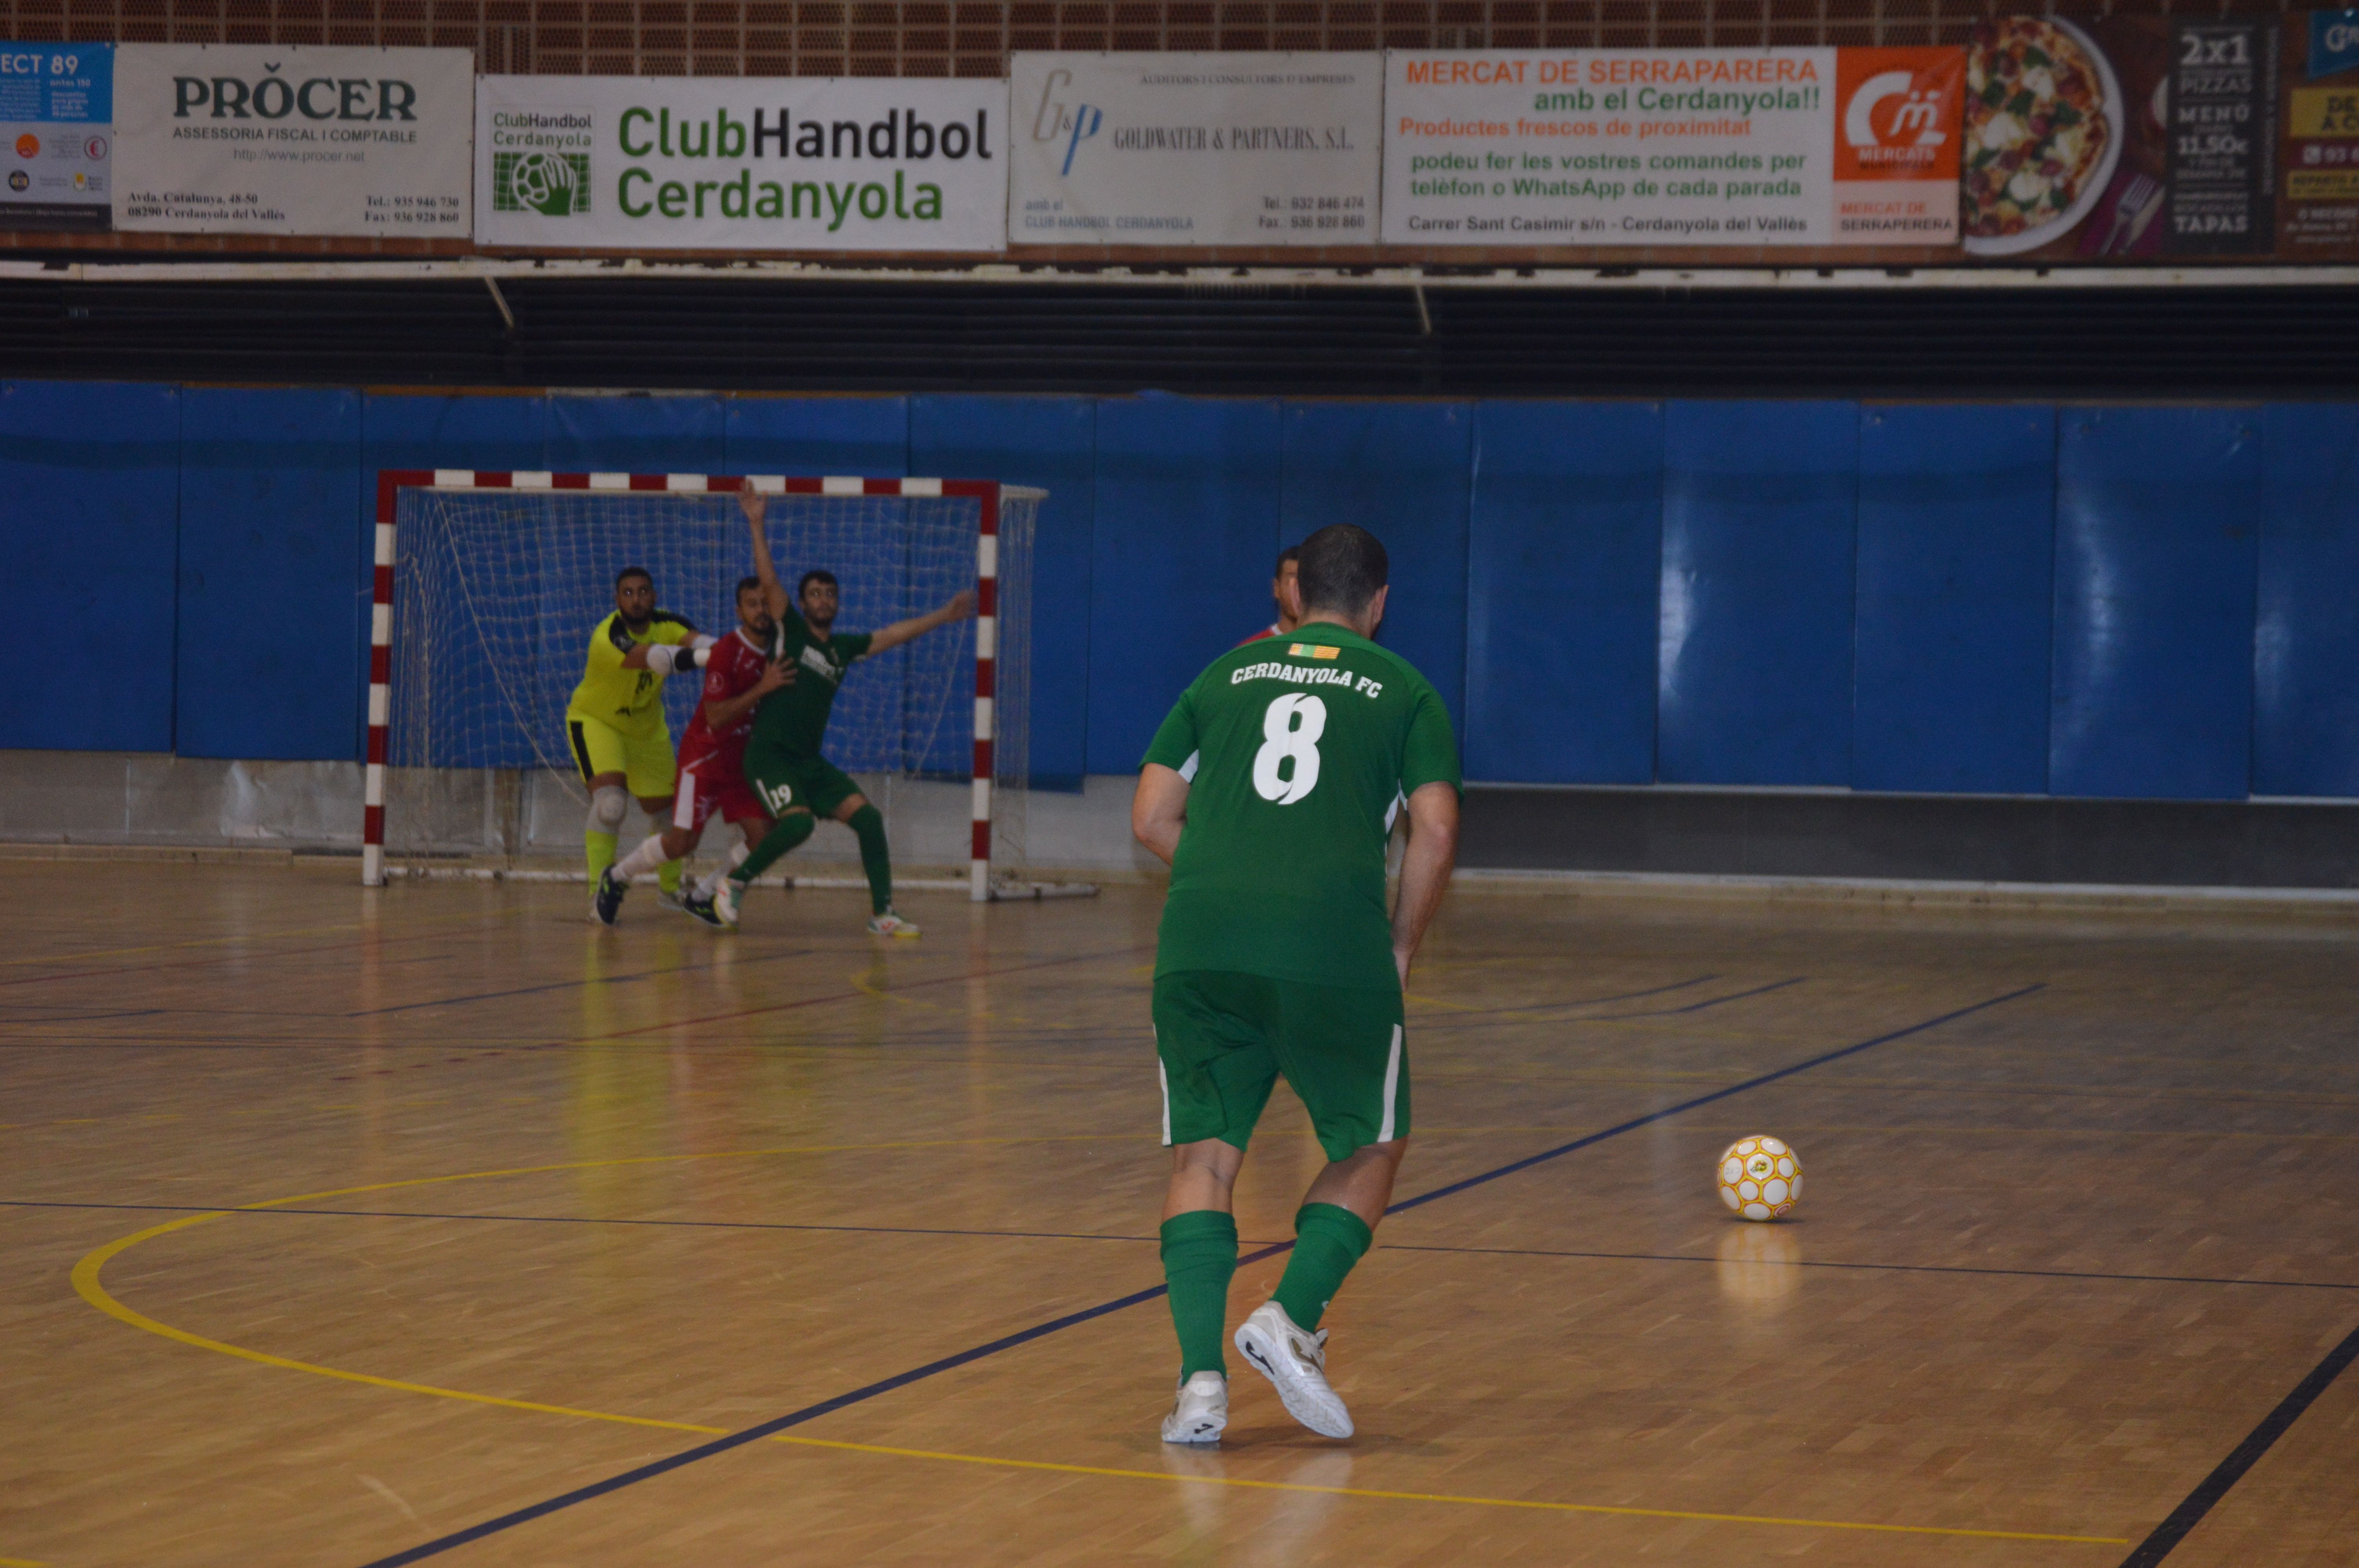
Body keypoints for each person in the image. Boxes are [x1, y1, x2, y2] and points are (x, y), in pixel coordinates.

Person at [1132, 522, 1460, 1446]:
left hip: (1201, 940)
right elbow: (1434, 827)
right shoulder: (1404, 689)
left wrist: (1230, 872)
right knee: (1375, 1139)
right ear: (1379, 602)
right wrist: (1399, 941)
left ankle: (1200, 1384)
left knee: (1203, 1156)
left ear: (1294, 590)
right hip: (1332, 945)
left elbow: (1151, 813)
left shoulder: (1223, 673)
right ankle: (1290, 1311)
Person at [690, 493, 976, 937]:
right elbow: (769, 581)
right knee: (799, 823)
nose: (824, 600)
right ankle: (733, 884)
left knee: (867, 818)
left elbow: (892, 634)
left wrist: (945, 615)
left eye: (831, 594)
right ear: (802, 604)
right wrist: (756, 523)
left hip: (807, 760)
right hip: (769, 755)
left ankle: (883, 913)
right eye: (815, 594)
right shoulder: (793, 631)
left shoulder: (842, 649)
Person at [594, 494, 791, 926]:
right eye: (751, 604)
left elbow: (772, 588)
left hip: (742, 763)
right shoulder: (725, 653)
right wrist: (763, 688)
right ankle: (617, 876)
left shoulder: (779, 645)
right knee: (681, 841)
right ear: (738, 612)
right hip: (704, 758)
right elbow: (719, 717)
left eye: (766, 603)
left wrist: (756, 525)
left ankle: (704, 895)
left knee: (767, 837)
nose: (761, 610)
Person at [563, 567, 713, 921]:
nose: (636, 599)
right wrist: (713, 657)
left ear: (654, 596)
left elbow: (696, 640)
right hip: (597, 723)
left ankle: (670, 892)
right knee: (611, 806)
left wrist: (728, 649)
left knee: (666, 815)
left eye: (643, 591)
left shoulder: (669, 624)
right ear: (617, 601)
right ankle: (598, 893)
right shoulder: (609, 636)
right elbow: (658, 660)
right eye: (628, 593)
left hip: (647, 730)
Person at [1236, 544, 1302, 646]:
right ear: (1277, 588)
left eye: (1306, 583)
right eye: (1292, 582)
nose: (1299, 592)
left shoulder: (1330, 648)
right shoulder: (1252, 649)